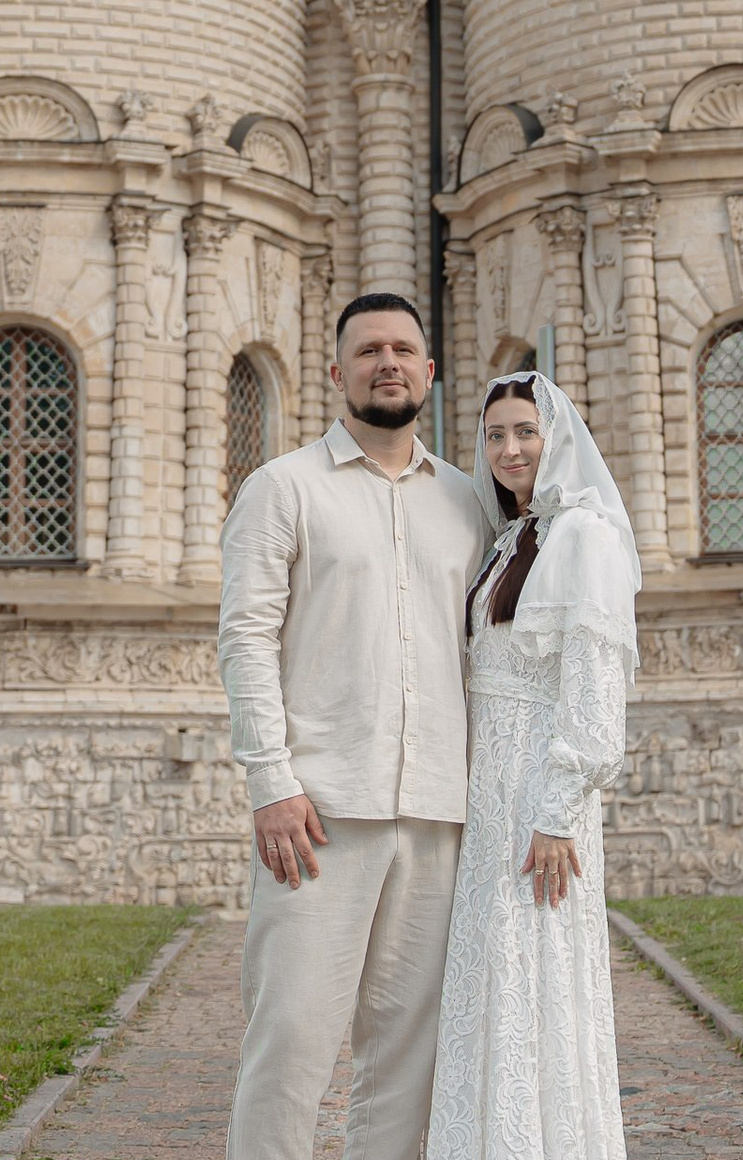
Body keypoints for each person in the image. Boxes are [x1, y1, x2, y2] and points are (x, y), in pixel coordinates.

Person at [218, 293, 492, 1160]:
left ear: (429, 371)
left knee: (408, 1058)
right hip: (319, 813)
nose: (388, 363)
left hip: (440, 813)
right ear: (336, 372)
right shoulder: (281, 489)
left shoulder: (467, 503)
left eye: (404, 350)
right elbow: (246, 638)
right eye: (369, 350)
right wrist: (272, 783)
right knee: (292, 1040)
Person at [426, 372, 640, 1160]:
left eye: (524, 431)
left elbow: (593, 691)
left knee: (535, 981)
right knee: (489, 979)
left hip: (537, 799)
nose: (509, 448)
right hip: (488, 791)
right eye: (494, 434)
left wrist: (556, 814)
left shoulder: (584, 536)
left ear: (555, 436)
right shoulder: (517, 538)